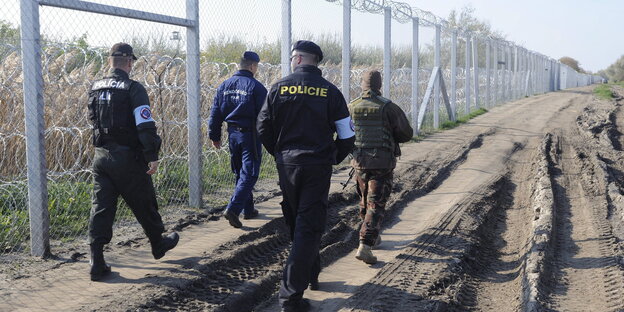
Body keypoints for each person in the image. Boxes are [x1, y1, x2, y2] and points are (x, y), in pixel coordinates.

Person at [257, 40, 355, 312]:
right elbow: (347, 135)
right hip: (317, 165)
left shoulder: (278, 88)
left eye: (291, 58)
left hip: (287, 165)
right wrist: (333, 156)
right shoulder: (330, 92)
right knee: (308, 226)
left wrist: (279, 154)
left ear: (298, 59)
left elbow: (262, 126)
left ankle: (309, 275)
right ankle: (291, 300)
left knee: (297, 220)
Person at [87, 43, 179, 281]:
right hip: (127, 156)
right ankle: (158, 243)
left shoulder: (95, 87)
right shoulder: (133, 88)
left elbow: (92, 120)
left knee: (101, 207)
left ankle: (96, 260)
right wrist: (152, 154)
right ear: (129, 63)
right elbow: (144, 124)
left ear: (110, 62)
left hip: (101, 156)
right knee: (144, 200)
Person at [349, 70, 413, 265]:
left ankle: (372, 237)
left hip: (359, 163)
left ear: (362, 84)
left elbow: (345, 133)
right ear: (379, 85)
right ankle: (365, 245)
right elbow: (406, 133)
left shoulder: (351, 106)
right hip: (382, 163)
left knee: (364, 200)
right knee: (375, 204)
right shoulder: (388, 107)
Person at [208, 51, 267, 228]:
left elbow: (215, 113)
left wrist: (215, 136)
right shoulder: (256, 87)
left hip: (232, 134)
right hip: (250, 134)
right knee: (250, 173)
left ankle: (248, 209)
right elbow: (265, 116)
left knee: (240, 171)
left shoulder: (224, 85)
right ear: (252, 66)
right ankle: (233, 209)